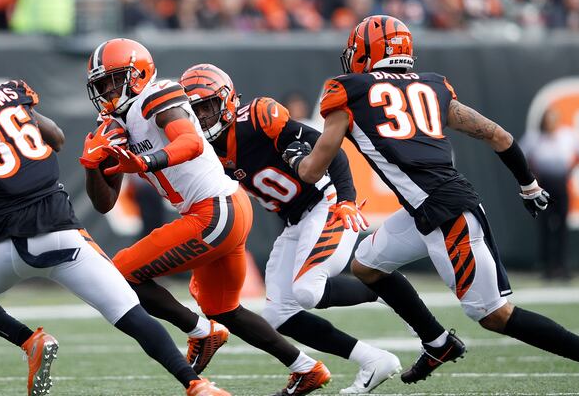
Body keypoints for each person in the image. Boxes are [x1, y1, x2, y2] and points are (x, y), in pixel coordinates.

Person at [284, 15, 579, 396]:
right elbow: (499, 136)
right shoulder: (432, 87)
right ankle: (437, 342)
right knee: (367, 265)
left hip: (448, 214)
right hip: (428, 209)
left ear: (368, 52)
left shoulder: (347, 90)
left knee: (494, 315)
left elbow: (312, 169)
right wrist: (528, 185)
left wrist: (293, 158)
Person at [0, 47, 229, 396]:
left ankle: (29, 340)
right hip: (65, 233)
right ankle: (197, 385)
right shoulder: (11, 94)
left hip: (7, 243)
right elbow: (57, 138)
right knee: (131, 315)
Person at [81, 38, 330, 396]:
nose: (105, 92)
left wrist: (148, 161)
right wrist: (92, 165)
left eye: (111, 81)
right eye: (99, 85)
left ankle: (200, 330)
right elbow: (104, 203)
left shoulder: (157, 96)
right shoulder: (114, 125)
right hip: (220, 211)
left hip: (215, 210)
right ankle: (307, 368)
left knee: (120, 273)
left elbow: (191, 143)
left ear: (138, 75)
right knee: (224, 307)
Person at [180, 63, 422, 394]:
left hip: (327, 202)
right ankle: (373, 360)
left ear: (227, 101)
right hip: (295, 220)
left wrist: (347, 199)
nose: (202, 117)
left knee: (308, 290)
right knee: (279, 314)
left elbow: (330, 147)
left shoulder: (257, 117)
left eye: (206, 106)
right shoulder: (200, 149)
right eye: (194, 110)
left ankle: (388, 289)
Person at [521, 108, 579, 280]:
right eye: (547, 120)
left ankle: (562, 266)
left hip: (560, 183)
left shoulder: (567, 135)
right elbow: (521, 156)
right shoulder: (534, 138)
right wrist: (532, 175)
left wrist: (570, 170)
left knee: (562, 225)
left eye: (553, 119)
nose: (550, 123)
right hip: (542, 186)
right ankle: (547, 267)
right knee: (545, 226)